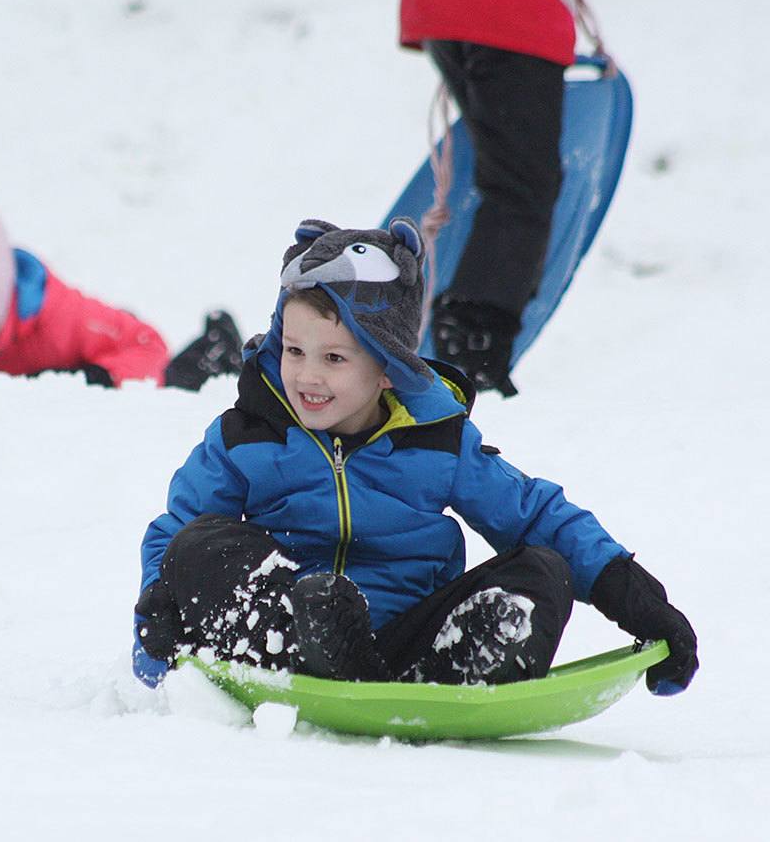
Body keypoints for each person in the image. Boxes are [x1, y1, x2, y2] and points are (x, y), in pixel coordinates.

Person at [131, 217, 697, 699]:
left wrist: (635, 598)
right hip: (283, 633)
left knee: (541, 570)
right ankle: (315, 644)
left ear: (388, 368)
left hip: (407, 643)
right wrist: (157, 619)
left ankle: (458, 668)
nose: (307, 375)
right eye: (294, 350)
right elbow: (177, 531)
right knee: (199, 544)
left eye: (334, 358)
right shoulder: (247, 434)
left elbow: (534, 515)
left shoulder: (435, 440)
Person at [0, 182, 243, 390]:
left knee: (168, 382)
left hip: (107, 345)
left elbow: (147, 345)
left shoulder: (57, 314)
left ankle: (218, 345)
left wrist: (95, 378)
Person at [399, 0, 581, 396]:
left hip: (446, 7)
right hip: (514, 14)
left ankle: (467, 332)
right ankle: (472, 333)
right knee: (522, 185)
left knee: (508, 172)